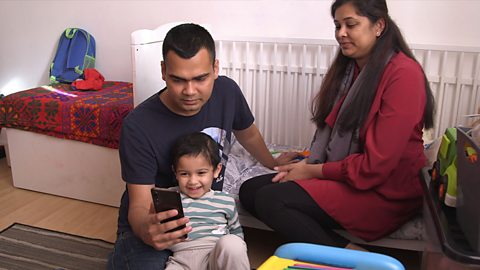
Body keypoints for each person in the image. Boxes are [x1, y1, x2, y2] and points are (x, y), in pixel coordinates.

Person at [239, 0, 435, 249]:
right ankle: (336, 243)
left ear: (379, 26)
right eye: (337, 25)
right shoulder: (351, 70)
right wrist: (309, 163)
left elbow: (375, 167)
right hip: (350, 177)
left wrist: (310, 172)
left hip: (384, 191)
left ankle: (352, 256)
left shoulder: (404, 75)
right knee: (250, 190)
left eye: (350, 24)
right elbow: (331, 139)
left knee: (271, 199)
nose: (341, 34)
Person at [108, 23, 295, 269]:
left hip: (207, 227)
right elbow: (140, 205)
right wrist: (147, 230)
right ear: (163, 71)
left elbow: (248, 134)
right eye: (178, 80)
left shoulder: (227, 91)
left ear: (215, 68)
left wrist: (272, 161)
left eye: (200, 78)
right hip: (156, 227)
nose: (189, 91)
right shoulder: (138, 126)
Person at [165, 132, 249, 270]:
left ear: (216, 170)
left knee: (233, 243)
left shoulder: (225, 200)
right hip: (181, 260)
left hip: (215, 258)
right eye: (184, 174)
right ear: (175, 173)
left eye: (201, 173)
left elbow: (236, 232)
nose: (193, 181)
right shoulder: (170, 197)